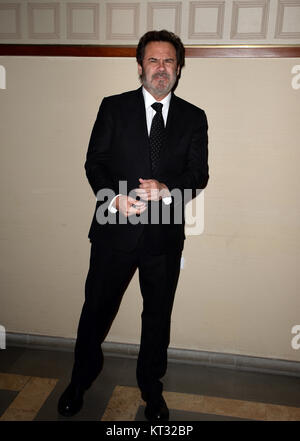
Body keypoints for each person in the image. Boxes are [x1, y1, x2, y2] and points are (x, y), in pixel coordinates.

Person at [58, 29, 209, 421]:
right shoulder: (113, 107)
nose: (162, 68)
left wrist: (168, 188)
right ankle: (80, 381)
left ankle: (151, 390)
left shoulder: (194, 117)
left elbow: (198, 174)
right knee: (96, 311)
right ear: (140, 66)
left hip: (164, 233)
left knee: (158, 318)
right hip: (115, 225)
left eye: (170, 61)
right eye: (154, 60)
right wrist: (112, 196)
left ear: (179, 68)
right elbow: (95, 161)